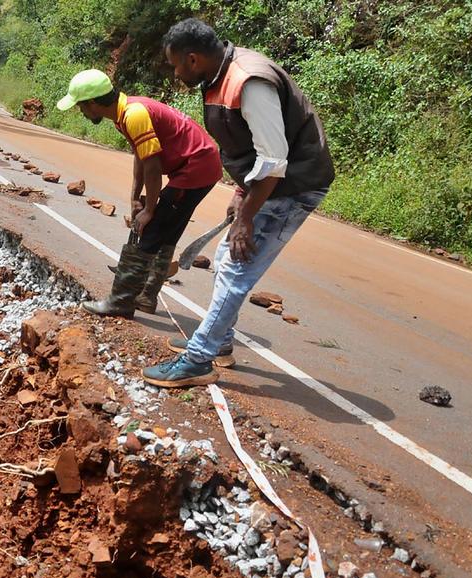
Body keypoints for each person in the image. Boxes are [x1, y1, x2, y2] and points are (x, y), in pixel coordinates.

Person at [142, 18, 335, 387]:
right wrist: (240, 191)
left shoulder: (249, 81)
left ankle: (198, 360)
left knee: (235, 270)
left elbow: (274, 162)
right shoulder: (221, 78)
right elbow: (249, 149)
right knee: (224, 261)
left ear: (193, 59)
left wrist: (246, 218)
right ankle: (220, 342)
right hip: (271, 184)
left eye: (176, 65)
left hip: (292, 185)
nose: (176, 73)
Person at [56, 69, 222, 318]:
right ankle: (145, 297)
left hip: (195, 168)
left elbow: (153, 166)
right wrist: (135, 197)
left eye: (80, 106)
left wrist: (149, 210)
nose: (81, 112)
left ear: (92, 103)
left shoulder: (134, 114)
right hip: (199, 165)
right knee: (167, 230)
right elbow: (141, 157)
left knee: (152, 228)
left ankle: (120, 302)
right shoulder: (124, 113)